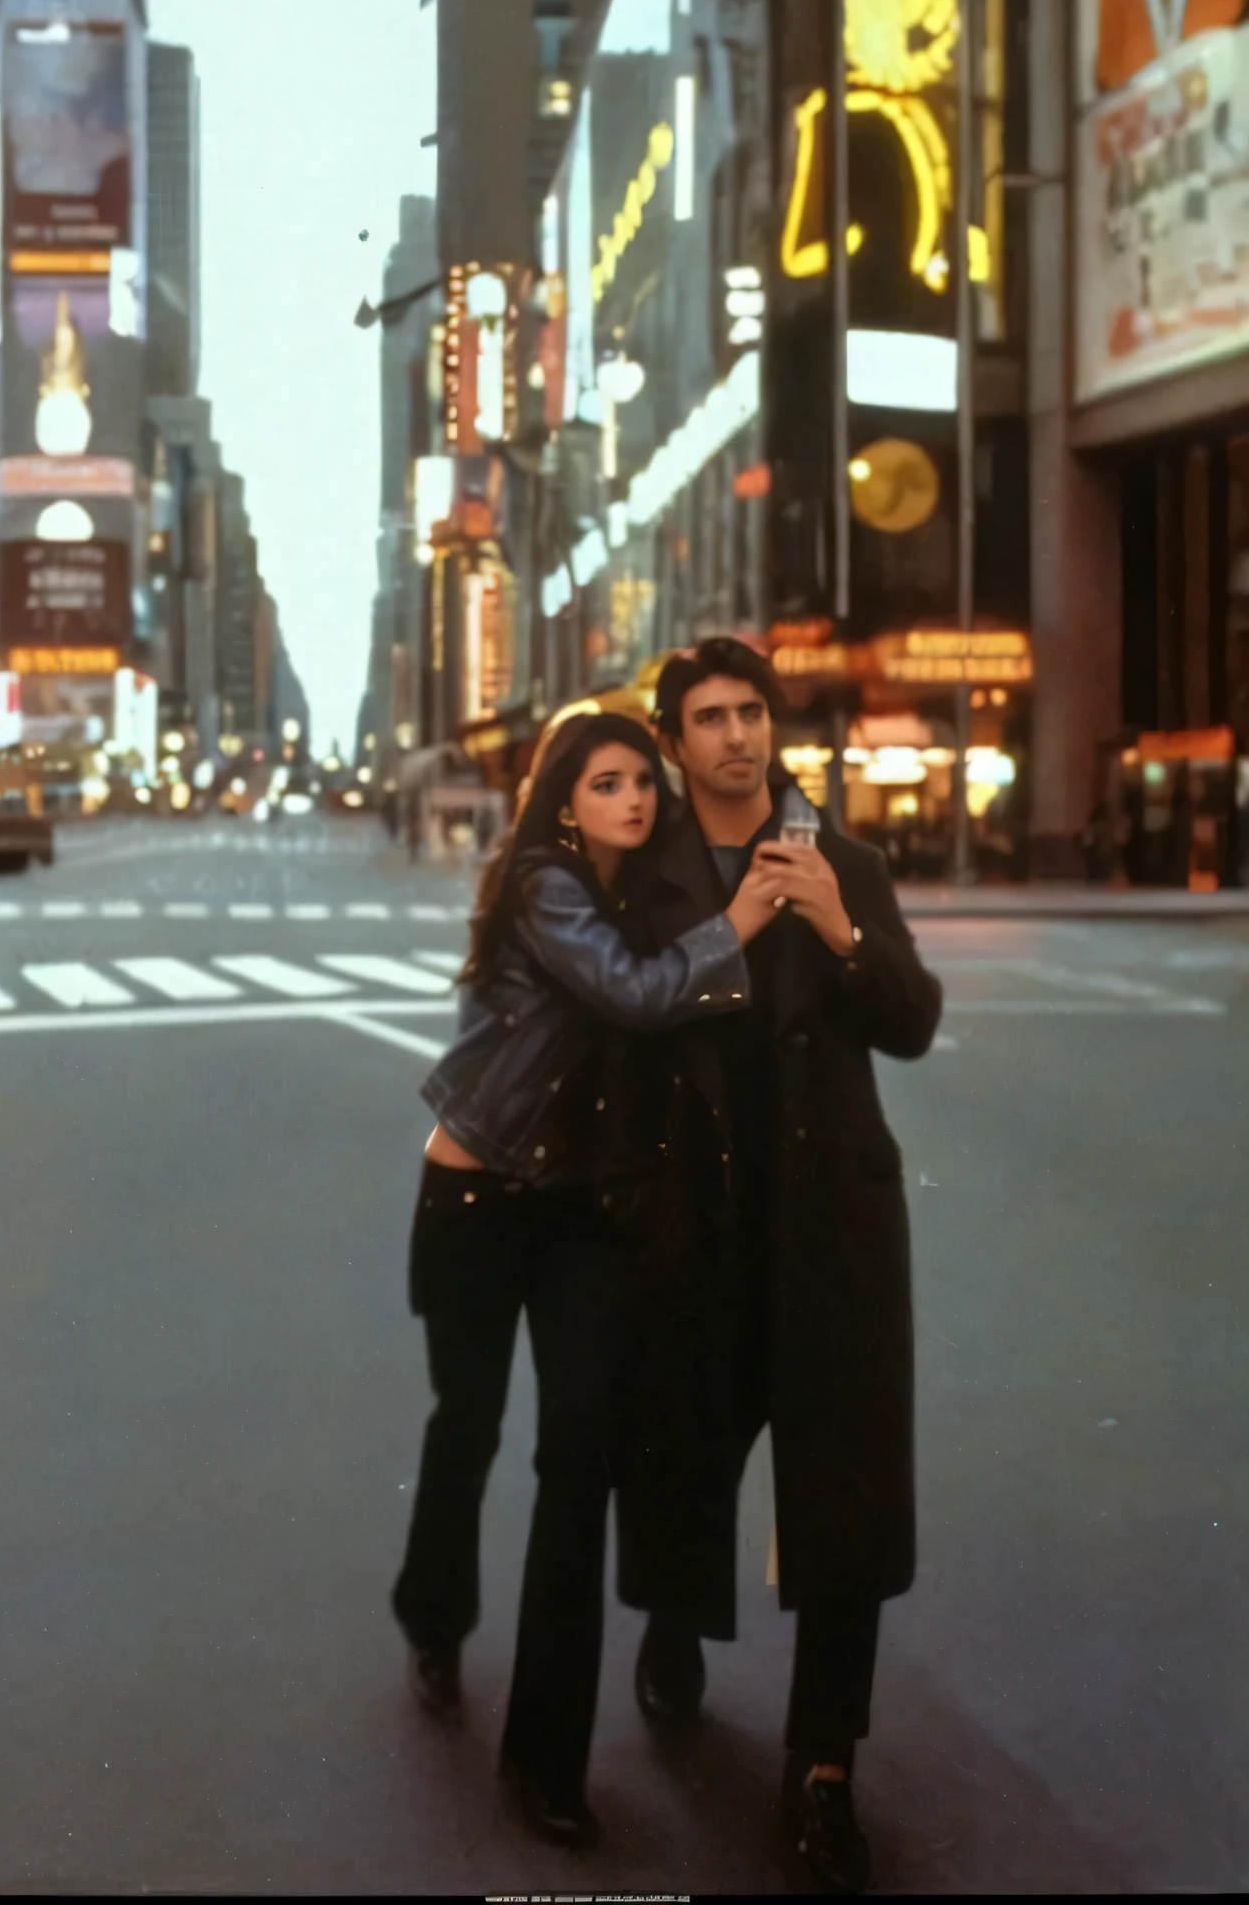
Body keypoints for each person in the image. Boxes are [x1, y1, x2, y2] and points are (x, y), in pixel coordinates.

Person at [391, 710, 787, 1849]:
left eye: (643, 785)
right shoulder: (543, 884)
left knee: (577, 1459)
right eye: (608, 782)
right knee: (465, 1421)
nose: (634, 800)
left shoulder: (638, 894)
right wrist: (743, 917)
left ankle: (543, 1759)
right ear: (566, 798)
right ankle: (432, 1611)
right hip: (473, 1199)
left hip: (576, 1213)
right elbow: (638, 993)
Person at [615, 638, 942, 1897]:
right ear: (671, 737)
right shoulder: (639, 880)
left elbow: (909, 1020)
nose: (736, 736)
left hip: (828, 1228)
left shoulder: (840, 858)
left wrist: (839, 927)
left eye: (751, 711)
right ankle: (670, 1623)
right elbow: (617, 1032)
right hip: (697, 1224)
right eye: (709, 717)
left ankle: (822, 1769)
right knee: (685, 1450)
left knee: (843, 1494)